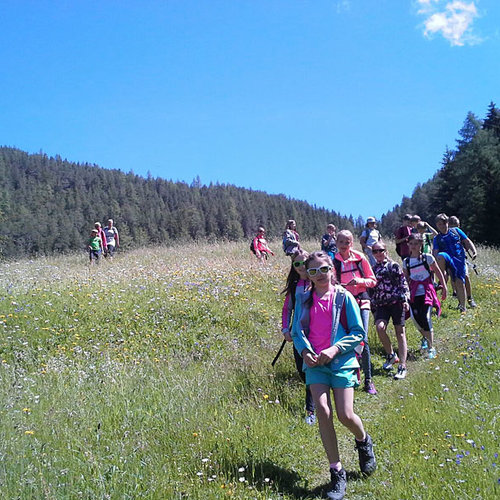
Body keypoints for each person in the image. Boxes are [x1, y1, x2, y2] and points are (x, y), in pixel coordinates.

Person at [292, 251, 376, 499]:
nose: (319, 275)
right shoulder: (304, 299)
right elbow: (298, 331)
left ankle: (363, 441)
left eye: (324, 269)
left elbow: (358, 332)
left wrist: (335, 348)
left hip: (341, 363)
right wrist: (305, 351)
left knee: (345, 414)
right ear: (307, 273)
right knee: (322, 410)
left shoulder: (344, 297)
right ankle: (336, 472)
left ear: (332, 270)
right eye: (313, 270)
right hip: (316, 365)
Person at [334, 230, 377, 395]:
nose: (344, 245)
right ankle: (351, 376)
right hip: (343, 304)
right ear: (336, 243)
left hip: (362, 301)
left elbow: (372, 281)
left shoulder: (360, 258)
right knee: (346, 340)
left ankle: (368, 380)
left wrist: (359, 281)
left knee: (362, 338)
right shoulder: (333, 262)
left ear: (352, 243)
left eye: (347, 242)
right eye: (341, 242)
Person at [281, 249, 315, 424]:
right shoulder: (294, 285)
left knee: (310, 372)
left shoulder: (318, 281)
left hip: (316, 333)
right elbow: (287, 309)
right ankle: (319, 397)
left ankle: (310, 410)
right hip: (298, 335)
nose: (301, 266)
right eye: (297, 264)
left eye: (304, 262)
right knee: (302, 372)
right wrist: (285, 329)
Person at [371, 241, 411, 379]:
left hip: (396, 302)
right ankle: (391, 355)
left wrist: (406, 300)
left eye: (380, 250)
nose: (378, 254)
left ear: (385, 251)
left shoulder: (393, 266)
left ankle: (403, 366)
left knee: (400, 333)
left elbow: (403, 283)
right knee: (380, 328)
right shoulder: (373, 269)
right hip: (381, 304)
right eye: (374, 251)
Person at [403, 234, 447, 359]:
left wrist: (444, 286)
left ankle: (431, 347)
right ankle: (425, 338)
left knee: (426, 317)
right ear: (408, 245)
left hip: (427, 292)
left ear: (421, 244)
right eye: (411, 244)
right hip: (413, 294)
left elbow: (438, 271)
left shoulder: (427, 258)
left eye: (416, 243)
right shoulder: (406, 262)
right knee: (416, 319)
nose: (414, 246)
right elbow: (405, 279)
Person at [433, 213, 477, 313]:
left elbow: (467, 241)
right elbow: (435, 253)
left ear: (447, 223)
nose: (442, 226)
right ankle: (442, 278)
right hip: (448, 260)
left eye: (443, 224)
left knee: (459, 282)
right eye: (439, 224)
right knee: (440, 256)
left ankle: (463, 307)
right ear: (437, 225)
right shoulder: (437, 239)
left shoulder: (456, 231)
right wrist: (434, 266)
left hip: (459, 260)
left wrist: (474, 251)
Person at [448, 216, 477, 308]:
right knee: (464, 278)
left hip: (456, 260)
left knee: (457, 280)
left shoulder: (449, 232)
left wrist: (474, 251)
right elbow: (467, 241)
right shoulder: (456, 230)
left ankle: (462, 302)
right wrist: (474, 251)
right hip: (456, 260)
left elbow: (466, 241)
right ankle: (468, 299)